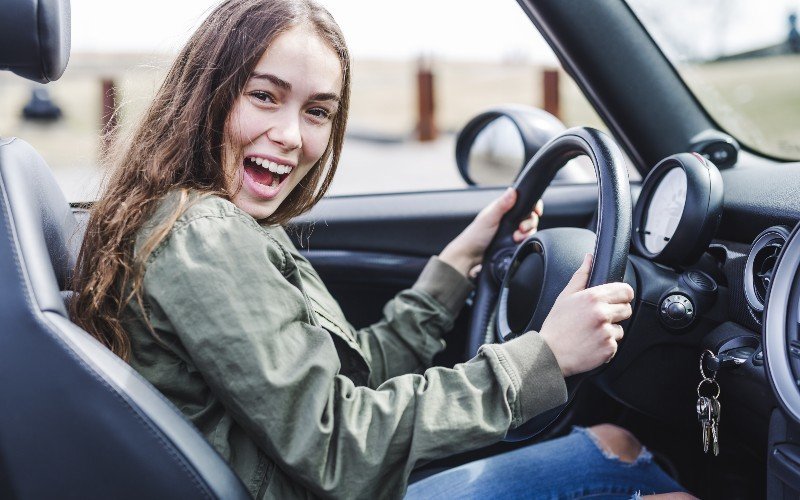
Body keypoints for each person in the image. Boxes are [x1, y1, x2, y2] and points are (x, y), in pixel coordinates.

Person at [69, 0, 690, 498]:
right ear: (209, 93)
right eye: (263, 95)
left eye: (317, 111)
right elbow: (337, 445)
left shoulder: (202, 220)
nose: (290, 135)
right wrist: (545, 358)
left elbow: (343, 378)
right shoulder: (205, 235)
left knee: (618, 443)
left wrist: (452, 269)